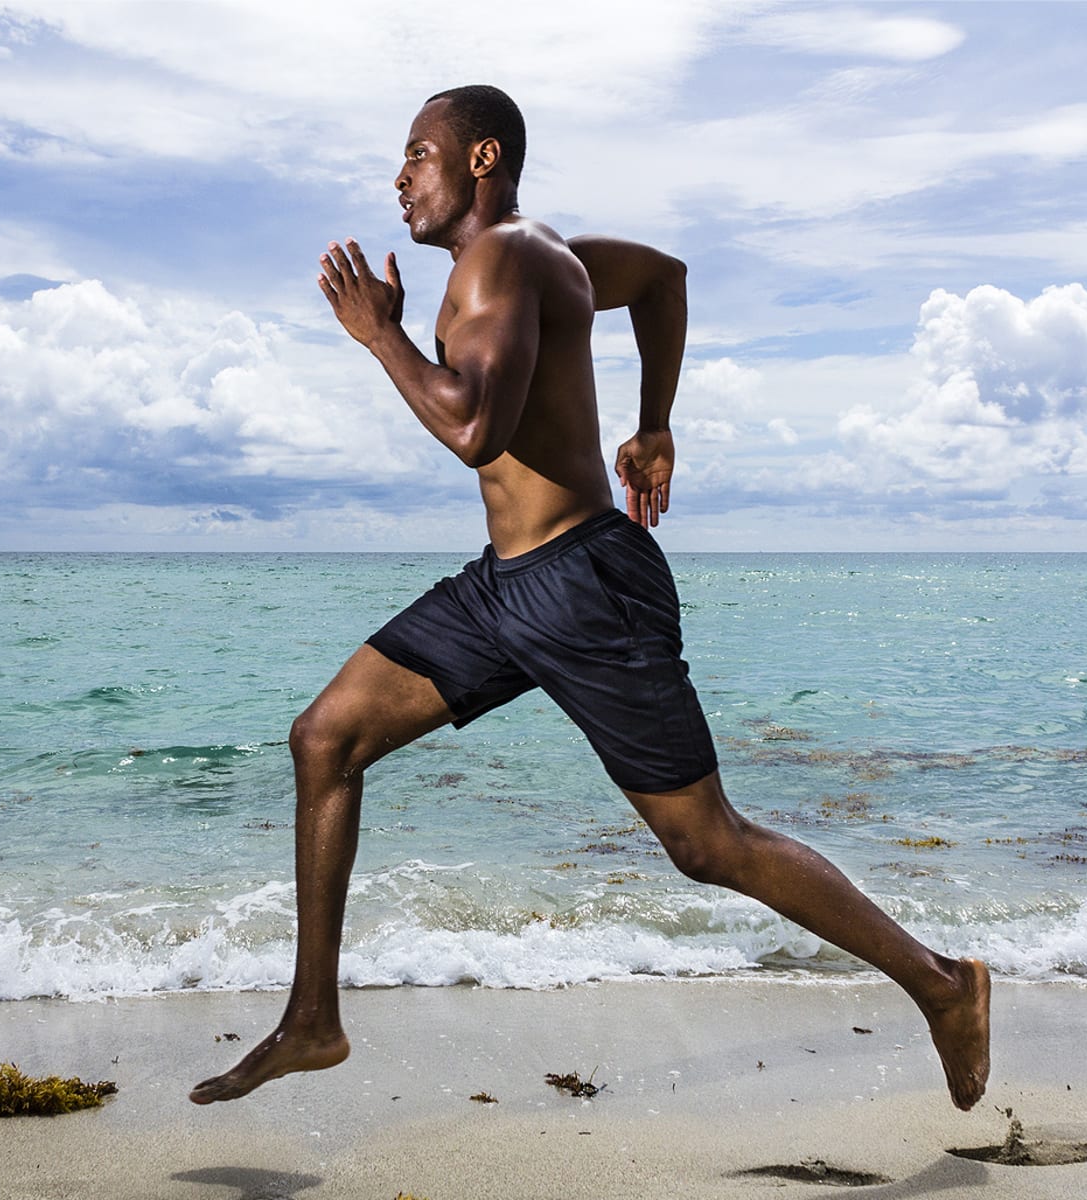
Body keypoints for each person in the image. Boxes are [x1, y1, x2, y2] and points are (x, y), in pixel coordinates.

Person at [190, 85, 990, 1112]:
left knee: (708, 844)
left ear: (482, 159)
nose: (400, 178)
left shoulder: (505, 259)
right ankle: (312, 1019)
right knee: (326, 737)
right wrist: (655, 423)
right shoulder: (551, 255)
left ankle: (943, 986)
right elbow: (664, 280)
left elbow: (475, 427)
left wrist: (378, 335)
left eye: (417, 155)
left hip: (583, 584)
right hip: (506, 586)